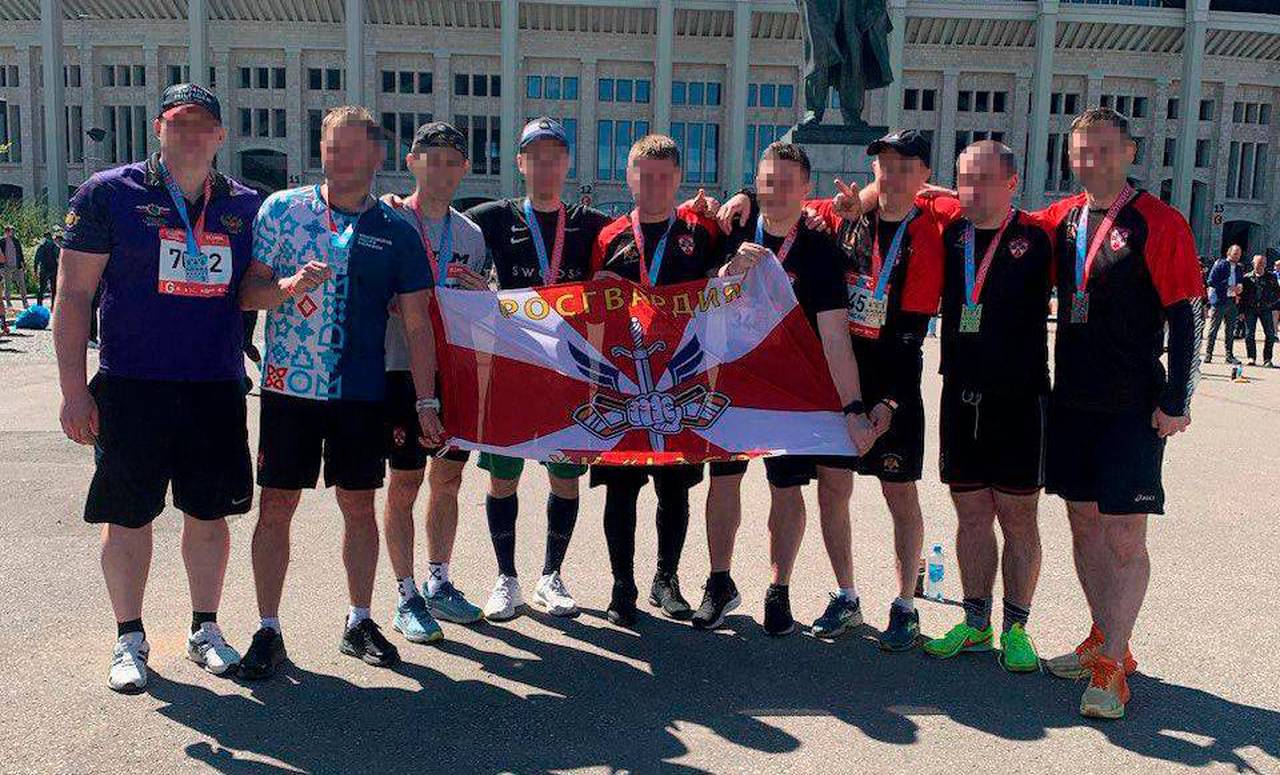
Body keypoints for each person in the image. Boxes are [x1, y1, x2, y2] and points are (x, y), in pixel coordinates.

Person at [54, 83, 261, 693]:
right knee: (126, 516)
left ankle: (204, 628)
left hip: (214, 384)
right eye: (178, 121)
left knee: (209, 514)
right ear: (158, 129)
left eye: (203, 123)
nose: (190, 132)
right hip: (132, 385)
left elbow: (259, 282)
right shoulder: (109, 193)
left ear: (220, 135)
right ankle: (129, 637)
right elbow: (72, 296)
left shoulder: (246, 204)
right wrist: (74, 391)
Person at [237, 106, 443, 679]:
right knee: (276, 505)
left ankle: (359, 620)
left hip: (360, 390)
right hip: (289, 387)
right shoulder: (281, 210)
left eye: (353, 148)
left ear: (376, 155)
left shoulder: (398, 230)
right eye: (331, 146)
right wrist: (285, 286)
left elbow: (418, 325)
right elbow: (248, 294)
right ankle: (268, 629)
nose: (340, 158)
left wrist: (426, 401)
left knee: (358, 506)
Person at [1036, 107, 1203, 719]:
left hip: (1133, 406)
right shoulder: (1063, 218)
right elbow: (986, 212)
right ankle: (1105, 639)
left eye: (1105, 149)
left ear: (1130, 153)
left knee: (1125, 534)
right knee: (1083, 523)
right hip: (1073, 402)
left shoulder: (1160, 221)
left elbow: (1187, 313)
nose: (1092, 160)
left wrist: (1177, 400)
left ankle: (1112, 666)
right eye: (1082, 151)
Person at [695, 142, 877, 636]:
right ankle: (719, 582)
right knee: (723, 482)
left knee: (787, 488)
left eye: (786, 183)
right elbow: (695, 306)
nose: (775, 191)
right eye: (767, 181)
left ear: (806, 189)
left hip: (792, 390)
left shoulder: (820, 249)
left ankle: (779, 588)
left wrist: (853, 407)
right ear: (755, 184)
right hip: (734, 382)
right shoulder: (731, 230)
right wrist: (726, 274)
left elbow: (835, 337)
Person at [459, 118, 604, 621]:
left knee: (566, 480)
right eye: (535, 157)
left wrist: (725, 204)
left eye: (554, 156)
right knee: (503, 479)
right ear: (520, 163)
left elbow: (643, 233)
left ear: (567, 163)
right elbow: (432, 217)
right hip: (510, 370)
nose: (545, 166)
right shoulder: (492, 218)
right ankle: (506, 578)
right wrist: (395, 203)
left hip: (568, 374)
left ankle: (551, 575)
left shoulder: (591, 225)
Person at [917, 141, 1052, 672]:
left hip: (1019, 400)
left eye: (984, 180)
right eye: (964, 180)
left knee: (1018, 518)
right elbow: (900, 192)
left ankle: (1017, 628)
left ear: (1012, 183)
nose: (972, 191)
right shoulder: (952, 232)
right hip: (961, 395)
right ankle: (976, 624)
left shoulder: (1040, 237)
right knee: (971, 515)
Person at [589, 135, 725, 626]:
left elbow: (729, 277)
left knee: (675, 490)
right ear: (630, 178)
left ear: (679, 180)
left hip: (680, 382)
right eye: (645, 177)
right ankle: (621, 583)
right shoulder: (608, 237)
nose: (654, 186)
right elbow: (588, 309)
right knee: (620, 491)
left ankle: (666, 579)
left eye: (664, 177)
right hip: (624, 381)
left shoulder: (700, 231)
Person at [381, 121, 489, 643]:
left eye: (451, 160)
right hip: (398, 368)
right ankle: (406, 595)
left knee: (448, 480)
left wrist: (480, 294)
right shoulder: (389, 219)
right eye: (430, 158)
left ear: (464, 168)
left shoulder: (471, 235)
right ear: (411, 162)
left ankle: (439, 581)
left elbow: (482, 309)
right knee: (405, 482)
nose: (441, 169)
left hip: (453, 372)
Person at [1205, 244, 1244, 364]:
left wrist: (1239, 288)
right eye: (1235, 253)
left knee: (1230, 330)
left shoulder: (1239, 268)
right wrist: (1228, 286)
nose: (1237, 256)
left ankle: (1229, 355)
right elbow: (1211, 281)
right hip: (1220, 301)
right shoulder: (1220, 264)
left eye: (1239, 254)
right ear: (1229, 253)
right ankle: (1208, 354)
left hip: (1232, 301)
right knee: (1213, 329)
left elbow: (1240, 280)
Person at [1240, 253, 1278, 367]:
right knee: (1249, 334)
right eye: (1258, 263)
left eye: (1263, 263)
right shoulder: (1246, 278)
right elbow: (1242, 296)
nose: (1261, 265)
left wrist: (1270, 303)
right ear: (1253, 264)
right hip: (1250, 309)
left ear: (1266, 264)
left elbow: (1277, 293)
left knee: (1270, 334)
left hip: (1265, 309)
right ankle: (1251, 357)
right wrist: (1241, 311)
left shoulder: (1271, 277)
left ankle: (1267, 359)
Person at [1, 223, 28, 309]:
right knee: (7, 285)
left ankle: (25, 302)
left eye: (13, 231)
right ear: (6, 232)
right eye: (11, 231)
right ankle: (8, 303)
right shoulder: (2, 241)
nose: (13, 233)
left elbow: (20, 253)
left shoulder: (16, 241)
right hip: (6, 266)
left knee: (22, 284)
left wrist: (23, 264)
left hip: (17, 266)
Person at [35, 231, 59, 308]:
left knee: (41, 288)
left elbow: (37, 259)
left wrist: (35, 269)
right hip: (53, 269)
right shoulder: (54, 246)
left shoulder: (41, 246)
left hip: (44, 269)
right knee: (53, 288)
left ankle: (39, 305)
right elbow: (59, 257)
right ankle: (53, 306)